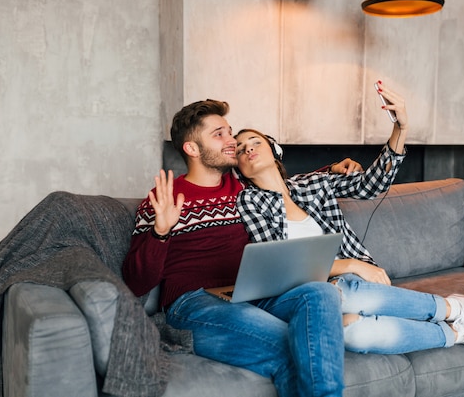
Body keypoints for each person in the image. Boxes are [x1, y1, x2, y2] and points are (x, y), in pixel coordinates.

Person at [234, 82, 464, 364]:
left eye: (255, 141)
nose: (247, 148)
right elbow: (282, 263)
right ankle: (459, 324)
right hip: (311, 292)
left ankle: (456, 315)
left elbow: (371, 186)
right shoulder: (249, 201)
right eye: (239, 149)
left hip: (353, 285)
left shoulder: (313, 184)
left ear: (274, 151)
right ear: (238, 168)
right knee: (352, 331)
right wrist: (351, 264)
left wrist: (400, 128)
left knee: (346, 295)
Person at [122, 99, 365, 397]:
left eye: (229, 131)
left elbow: (281, 182)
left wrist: (333, 169)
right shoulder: (164, 199)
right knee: (291, 346)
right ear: (192, 149)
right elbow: (136, 282)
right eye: (219, 134)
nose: (231, 142)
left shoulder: (242, 188)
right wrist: (160, 232)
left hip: (253, 294)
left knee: (321, 291)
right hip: (195, 303)